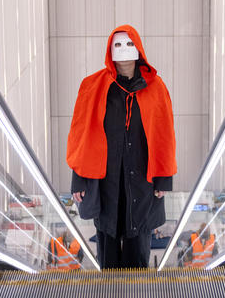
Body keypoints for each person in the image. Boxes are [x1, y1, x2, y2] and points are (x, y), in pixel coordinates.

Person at [67, 25, 177, 269]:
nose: (124, 49)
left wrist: (163, 179)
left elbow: (165, 134)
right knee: (108, 246)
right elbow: (80, 134)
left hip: (142, 181)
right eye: (118, 44)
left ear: (138, 49)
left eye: (129, 43)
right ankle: (110, 287)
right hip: (106, 181)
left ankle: (135, 287)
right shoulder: (93, 86)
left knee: (138, 248)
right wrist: (79, 179)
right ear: (110, 49)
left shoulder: (156, 87)